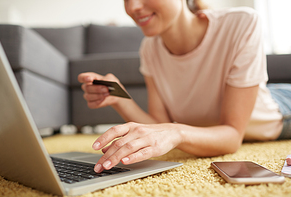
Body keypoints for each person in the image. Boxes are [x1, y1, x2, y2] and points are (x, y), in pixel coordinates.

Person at [78, 0, 291, 173]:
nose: (132, 7)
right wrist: (118, 97)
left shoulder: (242, 22)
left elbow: (232, 136)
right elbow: (158, 126)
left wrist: (177, 131)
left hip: (279, 111)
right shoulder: (149, 48)